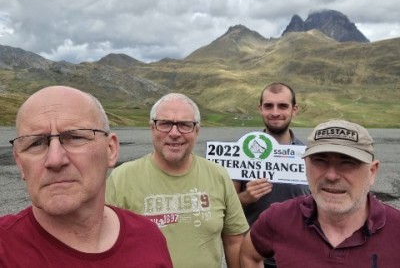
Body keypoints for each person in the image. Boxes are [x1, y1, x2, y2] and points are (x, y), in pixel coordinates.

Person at [0, 86, 172, 267]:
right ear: (19, 162)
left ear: (110, 150)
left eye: (74, 137)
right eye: (36, 143)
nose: (55, 159)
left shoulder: (148, 238)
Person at [106, 93, 249, 268]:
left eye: (184, 125)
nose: (174, 133)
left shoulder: (218, 175)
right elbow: (103, 245)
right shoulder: (121, 178)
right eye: (165, 124)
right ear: (152, 128)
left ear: (197, 131)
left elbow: (234, 241)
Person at [240, 119, 400, 267]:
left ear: (372, 172)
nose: (331, 176)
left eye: (347, 163)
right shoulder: (278, 218)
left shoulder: (396, 229)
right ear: (305, 165)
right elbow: (250, 255)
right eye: (320, 161)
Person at [233, 82, 309, 267]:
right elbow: (226, 207)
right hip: (254, 257)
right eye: (268, 106)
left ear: (294, 109)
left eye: (283, 106)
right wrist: (245, 197)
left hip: (300, 256)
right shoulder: (240, 152)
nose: (275, 112)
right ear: (260, 109)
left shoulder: (308, 156)